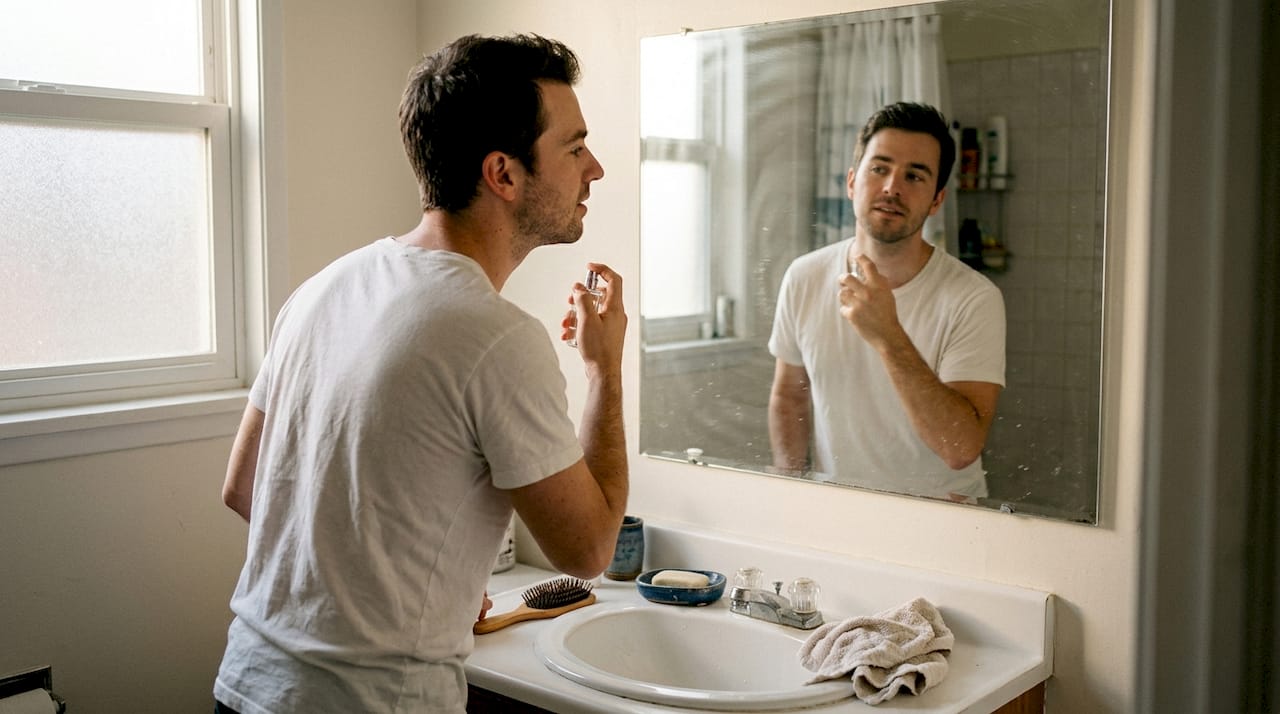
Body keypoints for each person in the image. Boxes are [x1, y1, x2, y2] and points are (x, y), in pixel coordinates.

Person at [213, 34, 628, 714]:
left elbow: (244, 488)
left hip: (247, 683)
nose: (596, 170)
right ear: (504, 174)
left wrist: (398, 589)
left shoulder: (325, 287)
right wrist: (605, 371)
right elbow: (586, 549)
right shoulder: (496, 338)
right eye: (575, 148)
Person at [768, 102, 1005, 500]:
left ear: (936, 200)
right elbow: (789, 393)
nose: (893, 186)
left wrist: (887, 335)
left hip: (944, 520)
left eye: (915, 175)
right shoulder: (805, 276)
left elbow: (960, 449)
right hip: (840, 508)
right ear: (851, 182)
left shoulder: (974, 298)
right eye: (880, 168)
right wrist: (794, 495)